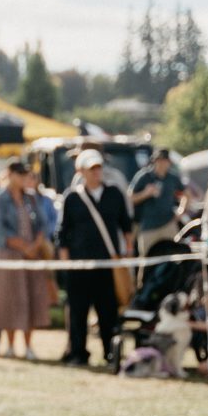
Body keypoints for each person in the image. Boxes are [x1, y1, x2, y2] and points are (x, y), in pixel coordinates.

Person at [57, 148, 133, 367]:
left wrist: (127, 252)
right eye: (91, 169)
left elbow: (126, 226)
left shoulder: (114, 194)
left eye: (98, 168)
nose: (96, 172)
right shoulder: (72, 197)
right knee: (78, 312)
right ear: (81, 171)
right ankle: (78, 353)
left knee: (108, 311)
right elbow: (62, 233)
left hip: (107, 263)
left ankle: (111, 353)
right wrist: (66, 263)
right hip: (79, 265)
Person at [0, 160, 50, 360]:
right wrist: (24, 247)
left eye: (26, 175)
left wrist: (35, 246)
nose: (24, 178)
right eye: (20, 174)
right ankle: (11, 345)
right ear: (10, 174)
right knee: (10, 299)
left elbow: (43, 224)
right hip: (8, 254)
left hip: (32, 255)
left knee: (31, 298)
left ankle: (29, 345)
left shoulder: (31, 198)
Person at [128, 148, 188, 256]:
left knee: (173, 258)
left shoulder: (172, 177)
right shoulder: (144, 176)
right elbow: (129, 198)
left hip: (168, 224)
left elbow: (187, 194)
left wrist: (181, 210)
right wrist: (145, 193)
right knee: (147, 261)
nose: (161, 163)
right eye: (158, 160)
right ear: (154, 161)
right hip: (148, 227)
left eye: (164, 160)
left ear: (168, 162)